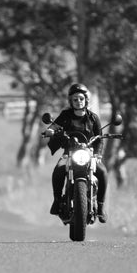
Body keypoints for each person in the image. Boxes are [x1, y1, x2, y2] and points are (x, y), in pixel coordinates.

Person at [42, 82, 109, 223]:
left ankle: (101, 206)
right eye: (75, 99)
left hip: (89, 153)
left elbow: (100, 138)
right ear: (71, 101)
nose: (78, 102)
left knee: (103, 172)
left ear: (86, 100)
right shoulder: (65, 115)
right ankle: (57, 200)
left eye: (81, 99)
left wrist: (98, 155)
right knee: (58, 170)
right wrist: (50, 131)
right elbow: (54, 126)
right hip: (69, 152)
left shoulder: (93, 118)